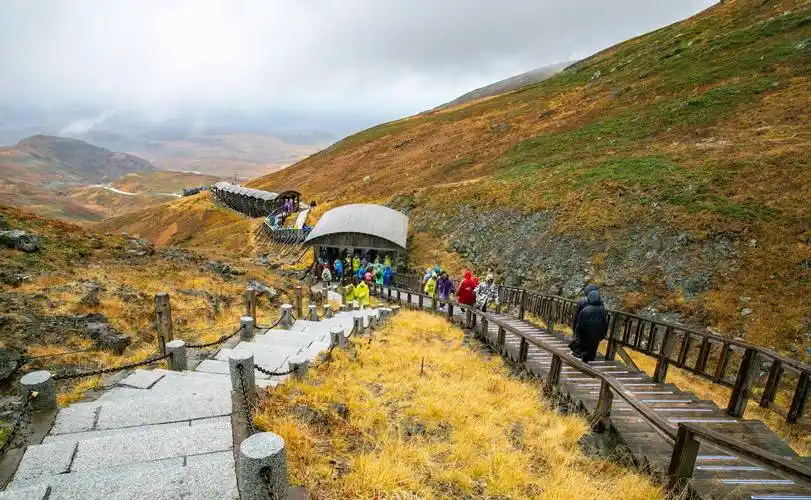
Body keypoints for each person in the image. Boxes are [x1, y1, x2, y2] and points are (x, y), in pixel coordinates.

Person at [573, 289, 608, 362]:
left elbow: (580, 324)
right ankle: (590, 361)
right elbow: (604, 323)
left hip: (586, 334)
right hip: (597, 334)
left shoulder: (586, 309)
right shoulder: (602, 309)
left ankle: (583, 363)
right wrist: (603, 333)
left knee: (583, 350)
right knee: (592, 349)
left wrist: (577, 334)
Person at [569, 284, 599, 354]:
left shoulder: (582, 301)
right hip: (594, 328)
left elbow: (576, 316)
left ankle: (578, 354)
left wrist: (574, 328)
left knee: (580, 342)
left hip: (582, 326)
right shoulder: (600, 303)